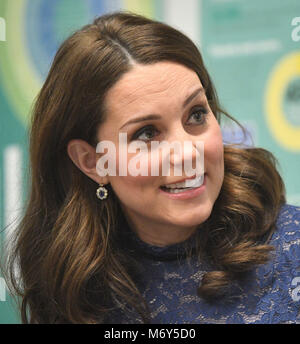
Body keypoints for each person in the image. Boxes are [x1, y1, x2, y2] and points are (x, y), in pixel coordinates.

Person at [2, 11, 300, 324]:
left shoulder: (292, 250)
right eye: (147, 133)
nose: (187, 152)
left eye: (196, 115)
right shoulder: (71, 290)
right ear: (92, 162)